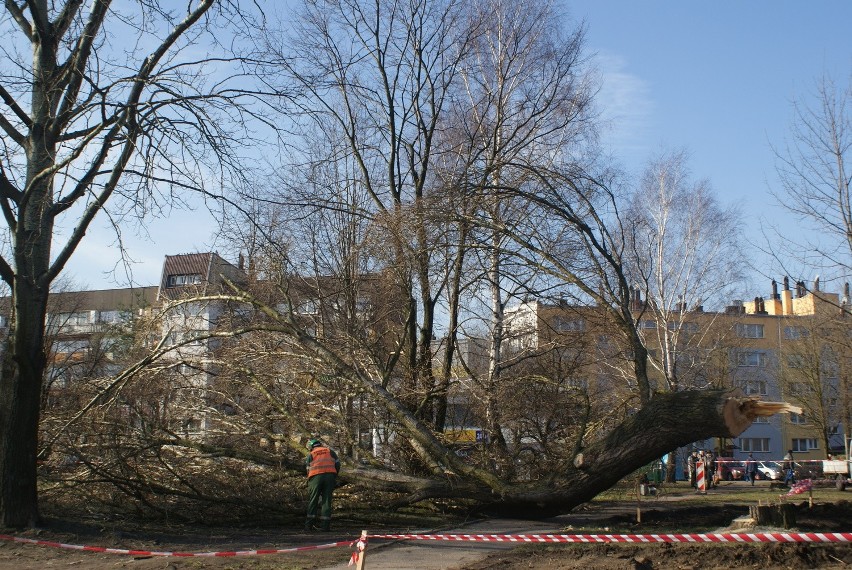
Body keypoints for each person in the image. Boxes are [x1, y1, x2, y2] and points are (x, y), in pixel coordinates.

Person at [304, 438, 340, 532]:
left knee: (313, 500)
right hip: (329, 476)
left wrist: (310, 480)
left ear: (311, 447)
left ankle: (309, 526)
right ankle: (325, 526)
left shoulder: (311, 454)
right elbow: (338, 464)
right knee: (327, 501)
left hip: (315, 477)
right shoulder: (330, 451)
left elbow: (308, 469)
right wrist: (334, 475)